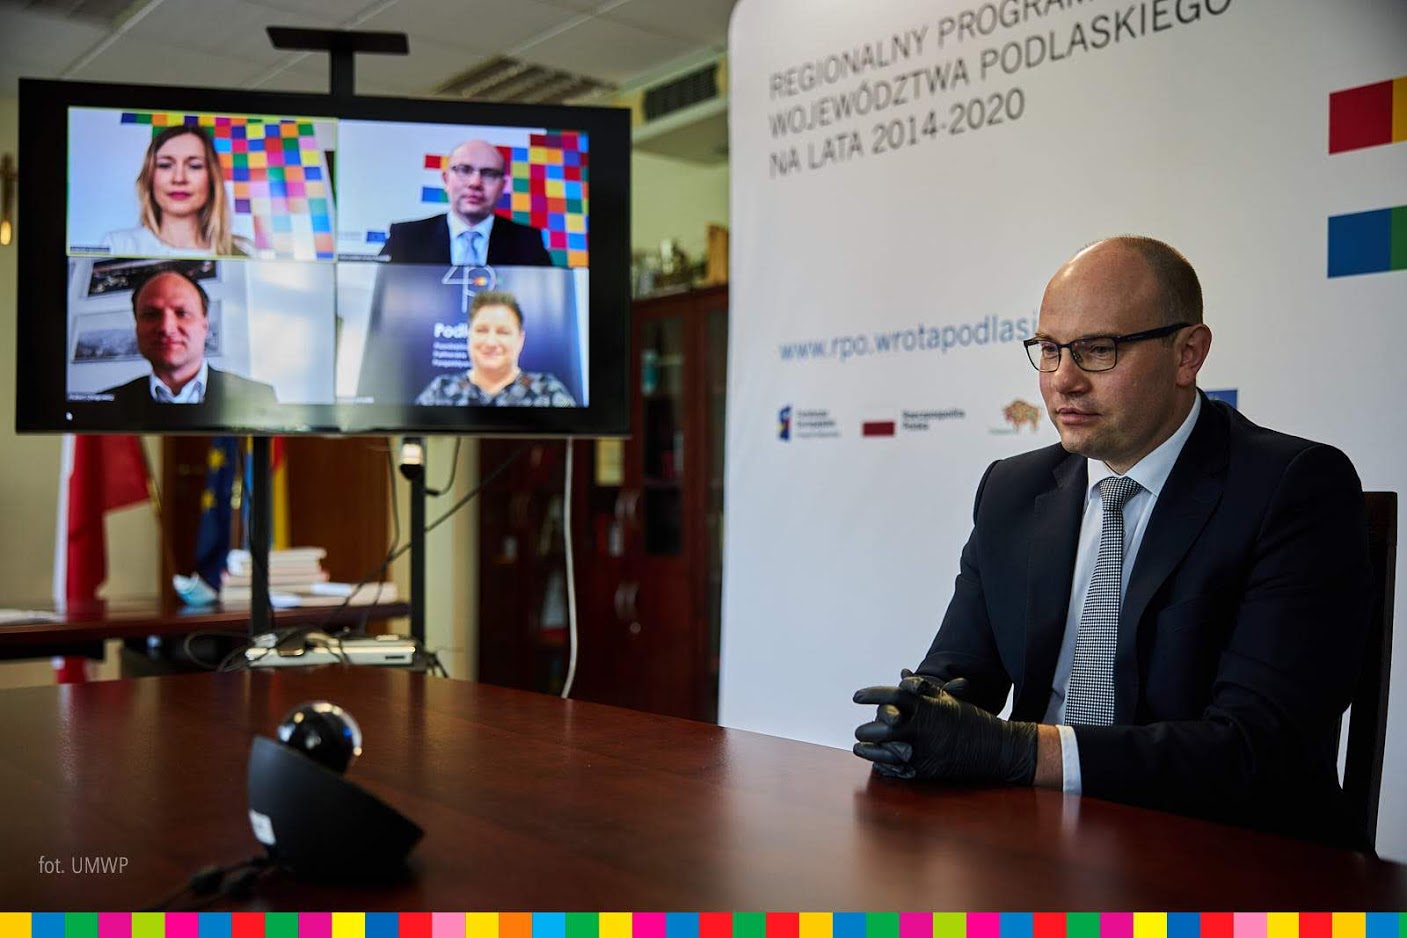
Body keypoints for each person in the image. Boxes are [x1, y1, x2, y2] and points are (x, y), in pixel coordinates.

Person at [852, 236, 1372, 848]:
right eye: (1049, 350)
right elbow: (960, 675)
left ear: (1187, 354)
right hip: (1031, 844)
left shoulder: (1292, 488)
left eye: (1098, 350)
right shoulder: (1012, 490)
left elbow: (1259, 749)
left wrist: (1016, 750)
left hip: (1224, 854)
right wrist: (918, 718)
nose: (1063, 381)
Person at [103, 268, 277, 410]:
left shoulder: (259, 397)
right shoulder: (105, 404)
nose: (166, 328)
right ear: (137, 326)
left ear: (204, 325)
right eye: (151, 314)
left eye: (182, 313)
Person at [380, 139, 553, 267]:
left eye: (489, 173)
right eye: (464, 170)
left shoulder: (528, 242)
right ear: (446, 180)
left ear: (502, 187)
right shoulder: (405, 237)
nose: (475, 183)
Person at [102, 125, 251, 258]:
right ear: (150, 177)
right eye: (165, 165)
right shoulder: (118, 245)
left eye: (194, 166)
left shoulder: (244, 250)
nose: (179, 178)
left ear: (212, 178)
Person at [416, 290, 576, 406]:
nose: (491, 342)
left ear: (520, 339)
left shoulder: (546, 390)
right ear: (469, 334)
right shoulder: (441, 389)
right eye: (481, 330)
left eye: (503, 332)